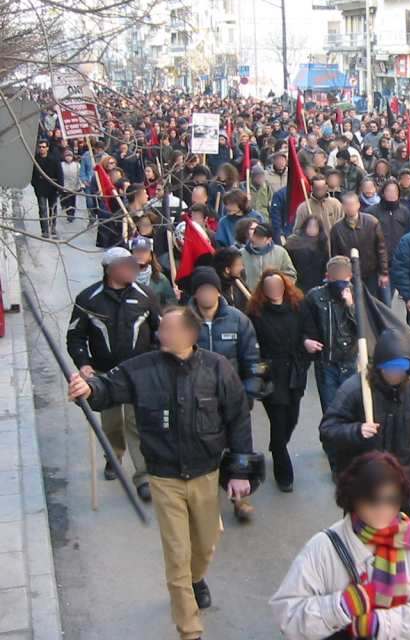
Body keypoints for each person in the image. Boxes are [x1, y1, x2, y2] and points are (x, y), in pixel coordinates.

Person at [67, 305, 254, 640]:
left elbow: (239, 417)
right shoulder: (142, 368)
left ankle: (198, 578)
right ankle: (189, 629)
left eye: (167, 328)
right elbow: (108, 387)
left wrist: (240, 470)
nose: (159, 333)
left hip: (206, 474)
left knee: (206, 544)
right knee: (177, 555)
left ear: (189, 334)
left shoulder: (217, 368)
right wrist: (88, 388)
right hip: (165, 478)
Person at [270, 451, 410, 640]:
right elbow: (288, 615)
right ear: (354, 498)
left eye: (391, 499)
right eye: (372, 499)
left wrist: (378, 624)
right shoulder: (324, 547)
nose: (383, 508)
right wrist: (341, 607)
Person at [67, 246, 161, 500]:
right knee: (111, 424)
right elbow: (75, 336)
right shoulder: (88, 299)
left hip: (138, 374)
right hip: (104, 375)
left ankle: (143, 477)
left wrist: (154, 360)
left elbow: (160, 331)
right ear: (110, 269)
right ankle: (114, 454)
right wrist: (83, 363)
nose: (133, 269)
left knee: (137, 423)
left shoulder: (146, 295)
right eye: (127, 265)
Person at [319, 329, 410, 517]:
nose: (396, 374)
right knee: (361, 541)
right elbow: (327, 430)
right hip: (363, 485)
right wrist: (357, 431)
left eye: (401, 368)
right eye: (391, 368)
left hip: (399, 485)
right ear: (380, 366)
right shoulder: (355, 390)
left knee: (400, 541)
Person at [188, 266, 263, 522]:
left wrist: (249, 392)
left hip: (232, 398)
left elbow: (254, 360)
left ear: (218, 291)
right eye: (201, 290)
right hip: (196, 400)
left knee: (239, 447)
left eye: (211, 289)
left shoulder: (239, 320)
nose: (206, 294)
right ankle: (204, 504)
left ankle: (241, 498)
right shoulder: (183, 320)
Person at [247, 270, 309, 492]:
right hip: (271, 375)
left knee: (292, 418)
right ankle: (284, 474)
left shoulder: (298, 307)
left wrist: (307, 344)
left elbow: (307, 332)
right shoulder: (256, 313)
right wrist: (257, 372)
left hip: (294, 372)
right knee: (278, 420)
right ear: (263, 290)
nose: (274, 290)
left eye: (277, 286)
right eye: (269, 287)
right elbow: (251, 347)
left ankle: (278, 444)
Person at [300, 255, 359, 416]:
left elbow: (364, 331)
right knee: (331, 413)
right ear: (327, 276)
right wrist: (306, 341)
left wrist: (351, 307)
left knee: (352, 412)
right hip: (326, 363)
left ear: (350, 276)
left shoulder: (359, 295)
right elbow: (302, 326)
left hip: (351, 363)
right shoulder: (314, 297)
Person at [330, 192, 390, 301]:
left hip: (370, 272)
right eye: (347, 205)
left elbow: (381, 249)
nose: (350, 207)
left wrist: (383, 272)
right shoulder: (337, 229)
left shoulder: (372, 222)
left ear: (358, 205)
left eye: (353, 204)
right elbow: (335, 254)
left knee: (372, 303)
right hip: (349, 274)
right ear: (343, 207)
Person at [241, 222, 297, 291]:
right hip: (249, 296)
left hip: (274, 295)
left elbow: (291, 274)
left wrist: (279, 288)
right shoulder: (241, 253)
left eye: (260, 237)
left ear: (269, 240)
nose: (256, 239)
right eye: (255, 235)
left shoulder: (281, 252)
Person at [284, 215, 329, 294]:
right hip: (298, 282)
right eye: (310, 226)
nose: (312, 229)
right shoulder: (293, 242)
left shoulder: (322, 243)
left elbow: (325, 266)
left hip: (317, 284)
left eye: (315, 226)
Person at [130, 235, 176, 306]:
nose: (140, 255)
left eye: (144, 251)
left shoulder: (160, 279)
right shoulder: (125, 278)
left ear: (150, 256)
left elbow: (171, 302)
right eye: (137, 251)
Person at [32, 139, 63, 238]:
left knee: (52, 208)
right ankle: (44, 230)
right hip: (40, 188)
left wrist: (60, 188)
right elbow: (32, 175)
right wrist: (35, 184)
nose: (41, 149)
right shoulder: (35, 159)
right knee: (42, 209)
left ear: (47, 148)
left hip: (52, 187)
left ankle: (52, 227)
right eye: (40, 147)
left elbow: (60, 174)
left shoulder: (54, 159)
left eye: (43, 147)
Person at [212, 247, 249, 311]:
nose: (242, 268)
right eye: (238, 265)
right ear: (227, 269)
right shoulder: (215, 290)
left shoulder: (239, 281)